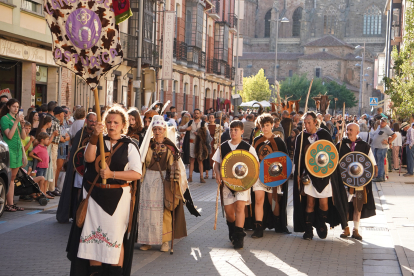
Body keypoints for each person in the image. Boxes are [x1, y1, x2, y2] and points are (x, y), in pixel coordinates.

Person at [67, 105, 141, 276]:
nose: (112, 125)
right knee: (93, 240)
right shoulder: (98, 140)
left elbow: (137, 173)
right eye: (108, 121)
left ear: (124, 125)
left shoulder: (129, 145)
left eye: (116, 122)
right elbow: (88, 158)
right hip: (94, 197)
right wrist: (94, 136)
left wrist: (111, 173)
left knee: (115, 238)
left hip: (118, 198)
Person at [138, 115, 199, 252]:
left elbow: (175, 166)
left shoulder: (171, 147)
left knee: (164, 210)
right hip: (147, 181)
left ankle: (164, 241)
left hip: (164, 181)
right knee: (146, 212)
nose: (157, 132)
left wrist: (174, 177)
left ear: (164, 130)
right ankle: (146, 241)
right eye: (155, 129)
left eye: (160, 129)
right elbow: (142, 163)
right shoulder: (147, 145)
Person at [293, 111, 348, 240]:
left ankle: (321, 223)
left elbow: (331, 154)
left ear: (315, 122)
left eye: (309, 122)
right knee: (310, 202)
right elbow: (298, 157)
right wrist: (298, 174)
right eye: (305, 123)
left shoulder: (323, 134)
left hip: (324, 175)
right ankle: (308, 230)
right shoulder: (301, 137)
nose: (306, 125)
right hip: (309, 175)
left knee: (324, 203)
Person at [213, 120, 257, 249]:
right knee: (229, 213)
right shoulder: (223, 147)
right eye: (231, 130)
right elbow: (216, 163)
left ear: (242, 131)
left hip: (243, 183)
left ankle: (239, 236)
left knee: (240, 208)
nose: (233, 132)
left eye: (236, 130)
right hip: (227, 183)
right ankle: (232, 230)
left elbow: (255, 166)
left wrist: (250, 181)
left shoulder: (248, 148)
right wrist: (217, 173)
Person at [250, 114, 290, 238]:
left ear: (272, 125)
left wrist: (282, 178)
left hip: (273, 175)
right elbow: (252, 158)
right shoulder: (256, 141)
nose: (265, 128)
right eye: (263, 126)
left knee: (272, 200)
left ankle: (278, 223)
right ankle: (258, 227)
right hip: (259, 175)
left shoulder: (278, 141)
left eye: (267, 125)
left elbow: (284, 160)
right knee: (258, 200)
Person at [338, 123, 377, 240]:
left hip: (360, 182)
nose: (348, 132)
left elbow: (372, 163)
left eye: (351, 130)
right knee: (344, 205)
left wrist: (373, 172)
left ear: (357, 132)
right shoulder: (340, 145)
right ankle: (345, 228)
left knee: (357, 206)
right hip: (344, 182)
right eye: (347, 130)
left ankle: (356, 229)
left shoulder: (364, 146)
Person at [56, 112, 97, 223]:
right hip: (80, 169)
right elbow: (75, 152)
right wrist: (74, 165)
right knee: (79, 190)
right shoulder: (80, 134)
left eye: (95, 121)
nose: (93, 123)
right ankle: (77, 213)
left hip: (93, 168)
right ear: (86, 121)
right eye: (91, 120)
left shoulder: (98, 135)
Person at [0, 99, 26, 212]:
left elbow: (23, 137)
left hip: (17, 150)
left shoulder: (17, 119)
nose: (16, 109)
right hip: (9, 150)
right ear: (8, 106)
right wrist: (16, 122)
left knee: (13, 179)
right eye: (14, 106)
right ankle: (6, 203)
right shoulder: (4, 119)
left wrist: (23, 125)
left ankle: (11, 203)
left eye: (17, 107)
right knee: (8, 178)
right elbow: (9, 136)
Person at [180, 109, 209, 183]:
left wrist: (199, 133)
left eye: (197, 113)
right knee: (191, 160)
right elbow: (180, 129)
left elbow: (207, 134)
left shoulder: (203, 123)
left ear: (200, 115)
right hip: (191, 144)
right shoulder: (190, 122)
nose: (196, 114)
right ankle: (190, 177)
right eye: (195, 113)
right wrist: (187, 129)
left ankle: (201, 177)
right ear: (193, 114)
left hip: (200, 144)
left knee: (200, 160)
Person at [35, 115, 59, 197]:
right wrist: (53, 135)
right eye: (51, 122)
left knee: (45, 175)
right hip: (44, 155)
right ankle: (42, 193)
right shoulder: (43, 131)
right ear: (48, 123)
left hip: (45, 155)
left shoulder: (43, 130)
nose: (51, 124)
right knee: (43, 176)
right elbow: (47, 143)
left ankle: (44, 192)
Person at [55, 112, 70, 191]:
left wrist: (65, 138)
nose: (61, 120)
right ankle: (55, 185)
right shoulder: (57, 127)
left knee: (61, 167)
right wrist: (64, 138)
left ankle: (57, 185)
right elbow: (62, 138)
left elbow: (67, 136)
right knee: (58, 167)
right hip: (59, 148)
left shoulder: (64, 126)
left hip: (64, 147)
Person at [206, 113, 223, 179]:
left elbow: (220, 135)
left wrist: (219, 142)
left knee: (214, 158)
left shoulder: (218, 126)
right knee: (207, 157)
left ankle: (213, 173)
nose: (211, 118)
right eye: (210, 117)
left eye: (212, 117)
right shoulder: (206, 126)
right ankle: (206, 173)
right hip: (208, 142)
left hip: (214, 143)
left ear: (214, 119)